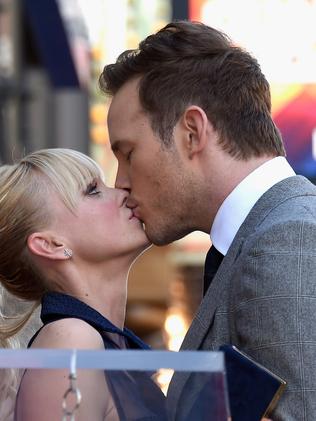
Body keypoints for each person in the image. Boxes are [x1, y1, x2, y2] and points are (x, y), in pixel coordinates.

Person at [99, 20, 316, 421]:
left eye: (128, 153)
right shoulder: (268, 239)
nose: (120, 183)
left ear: (192, 132)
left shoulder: (287, 242)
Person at [0, 148, 167, 421]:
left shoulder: (92, 340)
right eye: (92, 190)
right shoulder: (72, 340)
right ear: (52, 245)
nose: (123, 192)